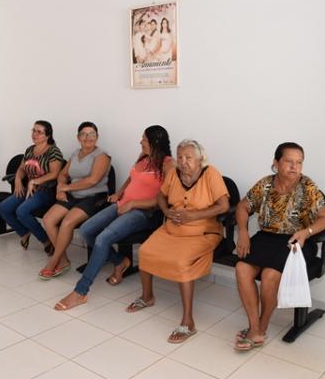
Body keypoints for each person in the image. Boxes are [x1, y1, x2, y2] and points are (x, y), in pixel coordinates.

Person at [54, 125, 175, 311]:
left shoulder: (168, 164)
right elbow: (132, 178)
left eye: (144, 139)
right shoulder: (143, 157)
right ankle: (120, 261)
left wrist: (133, 204)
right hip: (123, 203)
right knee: (86, 231)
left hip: (145, 212)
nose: (140, 141)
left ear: (155, 142)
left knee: (103, 238)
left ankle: (81, 291)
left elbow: (164, 200)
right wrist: (120, 193)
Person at [126, 139, 230, 344]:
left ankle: (188, 322)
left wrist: (195, 216)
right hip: (172, 228)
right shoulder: (173, 173)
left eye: (189, 157)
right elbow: (161, 196)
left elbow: (224, 205)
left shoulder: (211, 174)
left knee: (182, 262)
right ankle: (147, 297)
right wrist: (166, 211)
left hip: (203, 231)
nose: (183, 161)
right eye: (180, 156)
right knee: (146, 250)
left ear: (200, 159)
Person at [234, 142, 325, 351]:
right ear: (276, 163)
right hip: (266, 238)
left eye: (299, 162)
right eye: (289, 161)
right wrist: (243, 231)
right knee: (242, 268)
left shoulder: (308, 187)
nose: (294, 167)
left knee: (270, 275)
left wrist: (307, 232)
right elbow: (243, 206)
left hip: (296, 242)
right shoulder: (266, 184)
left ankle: (261, 327)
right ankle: (255, 327)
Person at [39, 122, 111, 279]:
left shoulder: (102, 156)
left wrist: (67, 188)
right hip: (73, 194)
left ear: (97, 137)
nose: (88, 137)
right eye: (84, 134)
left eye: (92, 134)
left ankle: (54, 261)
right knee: (48, 219)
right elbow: (63, 174)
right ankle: (63, 260)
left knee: (67, 223)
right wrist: (61, 186)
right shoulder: (75, 154)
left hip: (93, 197)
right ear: (78, 137)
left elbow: (92, 181)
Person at [0, 121, 64, 253]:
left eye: (39, 132)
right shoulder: (30, 149)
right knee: (3, 207)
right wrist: (17, 180)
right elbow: (22, 168)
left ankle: (45, 240)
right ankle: (24, 232)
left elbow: (55, 173)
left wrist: (35, 181)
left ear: (47, 135)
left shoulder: (54, 151)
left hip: (46, 191)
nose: (35, 134)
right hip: (29, 190)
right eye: (33, 130)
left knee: (21, 211)